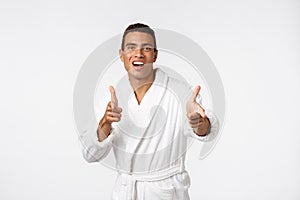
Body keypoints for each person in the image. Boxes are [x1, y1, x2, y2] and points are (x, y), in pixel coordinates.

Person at [80, 23, 219, 200]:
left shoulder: (180, 92)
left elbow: (206, 130)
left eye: (146, 48)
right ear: (121, 55)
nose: (138, 54)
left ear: (155, 55)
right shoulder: (111, 97)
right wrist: (106, 123)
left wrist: (199, 123)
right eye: (131, 47)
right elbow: (89, 154)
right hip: (125, 192)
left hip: (165, 192)